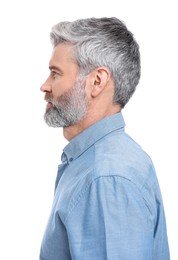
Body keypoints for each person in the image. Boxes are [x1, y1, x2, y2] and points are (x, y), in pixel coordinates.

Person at [39, 17, 170, 260]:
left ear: (96, 82)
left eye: (55, 74)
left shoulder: (106, 177)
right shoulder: (97, 164)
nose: (44, 86)